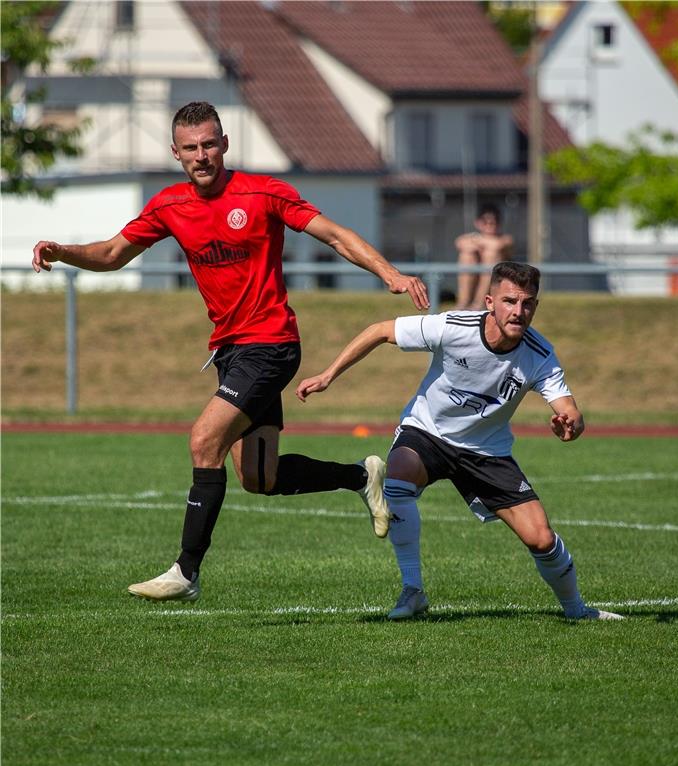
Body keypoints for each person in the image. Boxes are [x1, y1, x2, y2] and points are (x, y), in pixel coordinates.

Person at [31, 101, 429, 603]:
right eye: (191, 147)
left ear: (225, 144)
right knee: (259, 479)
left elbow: (334, 235)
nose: (202, 155)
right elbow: (113, 254)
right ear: (175, 153)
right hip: (230, 350)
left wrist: (388, 273)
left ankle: (186, 572)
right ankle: (361, 475)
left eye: (209, 144)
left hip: (272, 344)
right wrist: (64, 251)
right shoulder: (169, 205)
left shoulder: (263, 193)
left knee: (203, 440)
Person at [296, 261, 624, 621]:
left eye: (527, 303)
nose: (518, 311)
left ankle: (577, 610)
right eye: (509, 301)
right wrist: (328, 374)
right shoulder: (453, 326)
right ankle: (413, 590)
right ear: (489, 301)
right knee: (399, 477)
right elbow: (379, 331)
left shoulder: (539, 354)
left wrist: (570, 424)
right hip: (427, 432)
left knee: (541, 539)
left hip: (486, 452)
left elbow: (568, 410)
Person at [454, 203, 513, 310]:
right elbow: (460, 243)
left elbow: (497, 245)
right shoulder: (474, 237)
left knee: (490, 255)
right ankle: (463, 302)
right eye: (485, 222)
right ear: (478, 223)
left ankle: (479, 304)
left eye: (494, 222)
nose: (490, 225)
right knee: (467, 256)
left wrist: (478, 241)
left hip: (498, 282)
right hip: (476, 278)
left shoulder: (505, 238)